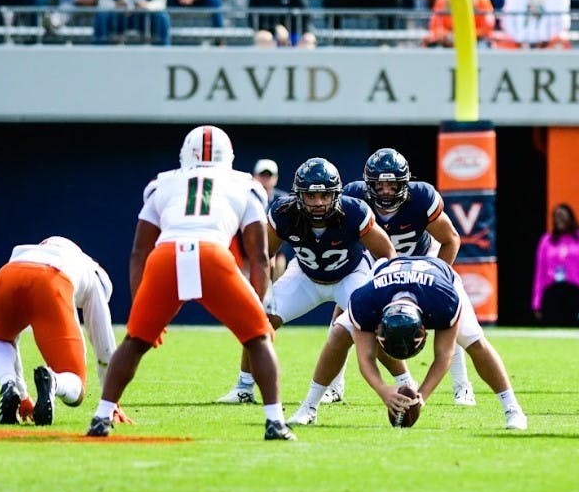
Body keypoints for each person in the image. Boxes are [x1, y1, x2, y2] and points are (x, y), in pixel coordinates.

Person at [87, 126, 295, 440]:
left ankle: (102, 415)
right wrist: (259, 304)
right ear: (229, 155)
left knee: (135, 341)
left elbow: (140, 251)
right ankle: (275, 422)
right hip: (213, 255)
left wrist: (140, 305)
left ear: (186, 153)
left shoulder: (162, 183)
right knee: (258, 339)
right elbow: (259, 255)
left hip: (167, 255)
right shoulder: (246, 185)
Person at [217, 157, 395, 407]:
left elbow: (387, 254)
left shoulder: (354, 211)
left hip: (351, 274)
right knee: (260, 319)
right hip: (305, 275)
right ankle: (244, 387)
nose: (318, 202)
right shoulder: (284, 213)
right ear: (299, 195)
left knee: (371, 325)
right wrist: (264, 294)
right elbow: (265, 255)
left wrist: (378, 292)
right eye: (311, 196)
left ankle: (404, 383)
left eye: (324, 195)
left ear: (336, 194)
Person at [285, 256, 529, 431]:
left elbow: (444, 355)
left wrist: (422, 395)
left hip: (438, 276)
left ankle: (513, 409)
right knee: (339, 333)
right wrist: (383, 390)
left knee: (474, 341)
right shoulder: (366, 300)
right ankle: (308, 407)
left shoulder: (443, 299)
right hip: (383, 278)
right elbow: (365, 357)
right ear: (378, 324)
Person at [339, 147, 474, 405]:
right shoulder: (354, 197)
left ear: (405, 183)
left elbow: (451, 239)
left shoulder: (421, 197)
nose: (386, 191)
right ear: (368, 184)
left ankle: (462, 386)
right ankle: (335, 386)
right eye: (379, 185)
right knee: (345, 315)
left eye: (393, 185)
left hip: (422, 260)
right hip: (379, 264)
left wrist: (437, 278)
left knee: (450, 317)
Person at [0, 237, 118, 427]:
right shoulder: (92, 275)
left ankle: (7, 383)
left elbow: (6, 338)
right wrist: (111, 403)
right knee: (76, 385)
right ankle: (54, 381)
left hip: (8, 273)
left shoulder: (31, 253)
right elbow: (105, 347)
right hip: (51, 281)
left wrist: (22, 395)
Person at [532, 203, 579, 328]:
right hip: (553, 294)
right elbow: (540, 273)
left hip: (576, 294)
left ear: (571, 217)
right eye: (557, 217)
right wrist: (537, 302)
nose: (560, 220)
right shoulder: (547, 241)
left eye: (563, 216)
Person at [424, 0, 496, 48]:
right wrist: (448, 35)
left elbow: (487, 28)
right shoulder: (442, 1)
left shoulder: (482, 0)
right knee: (435, 49)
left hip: (476, 40)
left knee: (483, 47)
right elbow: (435, 27)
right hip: (447, 41)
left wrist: (466, 35)